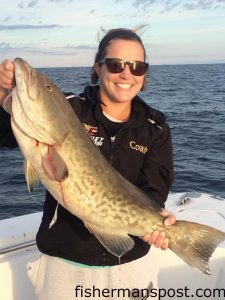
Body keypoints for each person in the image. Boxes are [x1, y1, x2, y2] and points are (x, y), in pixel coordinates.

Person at [0, 28, 175, 300]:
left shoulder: (156, 129)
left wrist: (157, 222)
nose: (126, 74)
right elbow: (4, 134)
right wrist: (2, 97)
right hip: (65, 266)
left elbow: (154, 190)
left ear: (144, 74)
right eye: (116, 64)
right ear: (98, 68)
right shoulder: (70, 107)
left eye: (137, 67)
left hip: (132, 267)